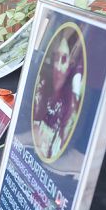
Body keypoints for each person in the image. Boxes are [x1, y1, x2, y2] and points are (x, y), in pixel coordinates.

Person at [32, 27, 84, 160]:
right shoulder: (44, 91)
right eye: (56, 58)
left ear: (71, 66)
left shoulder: (72, 108)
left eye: (64, 60)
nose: (58, 67)